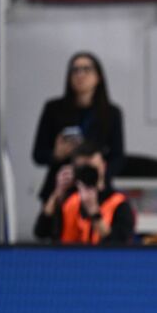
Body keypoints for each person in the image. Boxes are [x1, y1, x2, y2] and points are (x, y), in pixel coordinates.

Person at [32, 52, 125, 203]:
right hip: (60, 188)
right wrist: (56, 155)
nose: (80, 75)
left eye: (86, 69)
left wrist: (99, 168)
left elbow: (118, 157)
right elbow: (38, 154)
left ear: (98, 77)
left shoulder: (112, 113)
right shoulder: (53, 109)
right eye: (75, 70)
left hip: (96, 188)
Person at [34, 141, 135, 244]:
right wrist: (57, 193)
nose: (88, 174)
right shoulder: (69, 201)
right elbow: (41, 233)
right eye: (83, 169)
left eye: (92, 169)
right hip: (70, 254)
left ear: (104, 166)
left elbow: (121, 245)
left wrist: (95, 215)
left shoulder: (118, 203)